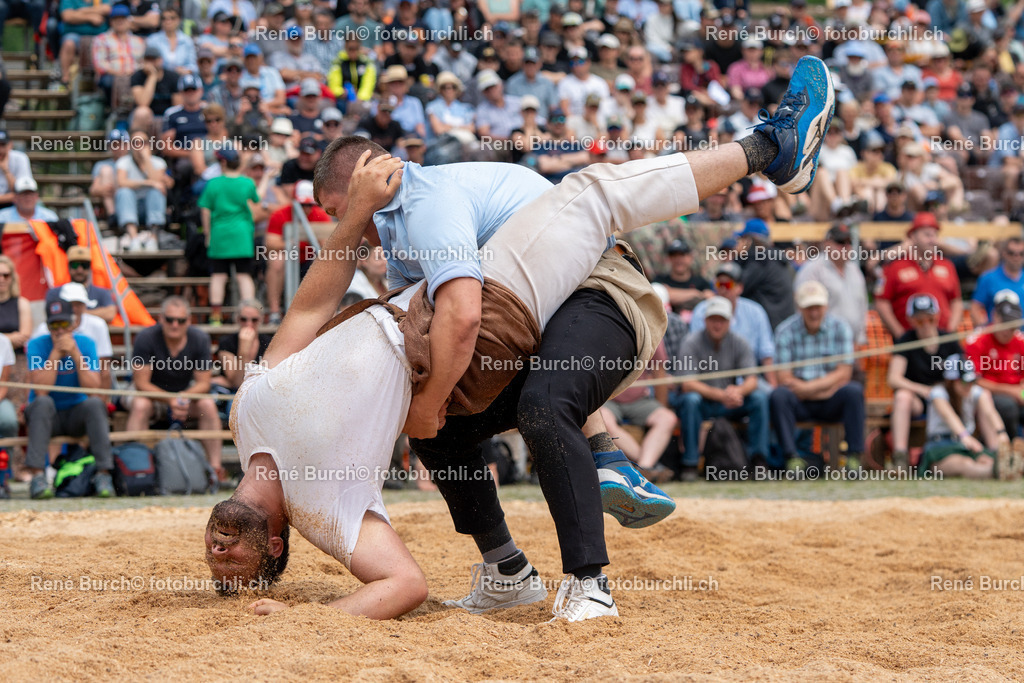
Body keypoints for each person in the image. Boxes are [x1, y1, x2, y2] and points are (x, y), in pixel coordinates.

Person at [209, 57, 836, 620]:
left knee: (577, 224)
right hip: (491, 324)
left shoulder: (249, 413)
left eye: (216, 557)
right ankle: (768, 149)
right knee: (583, 208)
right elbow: (403, 583)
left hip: (547, 300)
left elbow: (313, 307)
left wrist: (355, 221)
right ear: (277, 544)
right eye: (232, 565)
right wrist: (306, 618)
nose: (217, 554)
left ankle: (526, 559)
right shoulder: (323, 509)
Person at [771, 281, 866, 473]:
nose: (814, 312)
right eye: (809, 307)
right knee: (779, 396)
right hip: (801, 400)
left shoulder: (841, 328)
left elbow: (845, 373)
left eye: (818, 307)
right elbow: (783, 378)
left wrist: (807, 388)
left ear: (826, 306)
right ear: (800, 308)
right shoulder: (784, 331)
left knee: (853, 392)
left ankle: (854, 457)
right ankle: (791, 458)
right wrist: (822, 387)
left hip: (826, 398)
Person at [24, 299, 112, 500]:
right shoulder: (37, 345)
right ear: (48, 326)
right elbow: (40, 391)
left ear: (73, 324)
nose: (59, 331)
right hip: (46, 416)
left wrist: (75, 354)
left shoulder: (86, 343)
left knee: (96, 403)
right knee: (43, 403)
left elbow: (93, 388)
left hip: (76, 414)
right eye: (54, 325)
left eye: (64, 324)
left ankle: (103, 474)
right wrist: (55, 355)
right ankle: (37, 476)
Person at [126, 297, 222, 476]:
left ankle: (215, 470)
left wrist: (180, 398)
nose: (175, 324)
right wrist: (172, 399)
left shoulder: (200, 339)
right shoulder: (145, 337)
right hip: (150, 395)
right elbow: (141, 383)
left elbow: (204, 383)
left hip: (182, 394)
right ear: (161, 318)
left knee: (207, 405)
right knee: (141, 406)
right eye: (170, 319)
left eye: (181, 320)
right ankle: (136, 471)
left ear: (189, 320)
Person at [674, 295, 770, 476]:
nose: (717, 324)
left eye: (722, 320)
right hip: (704, 403)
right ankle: (690, 463)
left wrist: (738, 391)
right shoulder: (691, 342)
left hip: (730, 402)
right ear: (705, 321)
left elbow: (752, 379)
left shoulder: (740, 342)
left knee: (759, 398)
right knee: (690, 400)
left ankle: (759, 460)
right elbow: (687, 384)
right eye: (713, 319)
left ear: (729, 322)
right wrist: (722, 395)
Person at [887, 294, 963, 471]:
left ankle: (980, 446)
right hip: (920, 400)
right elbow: (893, 378)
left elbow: (963, 375)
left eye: (930, 319)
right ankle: (900, 457)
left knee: (975, 394)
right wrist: (922, 389)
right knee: (902, 396)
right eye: (920, 321)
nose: (926, 324)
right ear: (911, 320)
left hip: (947, 398)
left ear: (937, 316)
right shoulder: (906, 340)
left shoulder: (949, 340)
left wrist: (943, 389)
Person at [918, 357, 1024, 481]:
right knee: (964, 464)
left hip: (965, 445)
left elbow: (990, 412)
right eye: (964, 382)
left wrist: (1001, 433)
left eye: (972, 381)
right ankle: (998, 471)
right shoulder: (938, 393)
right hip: (940, 446)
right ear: (951, 381)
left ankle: (1005, 468)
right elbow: (949, 416)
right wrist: (965, 436)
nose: (969, 385)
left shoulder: (974, 391)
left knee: (986, 459)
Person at [875, 211, 963, 340]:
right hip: (910, 341)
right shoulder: (895, 266)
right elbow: (882, 302)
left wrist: (950, 332)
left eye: (934, 235)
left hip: (941, 339)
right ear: (913, 237)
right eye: (927, 235)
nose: (932, 239)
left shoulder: (947, 265)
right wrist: (900, 334)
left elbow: (956, 301)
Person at [197, 148, 258, 326]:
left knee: (218, 276)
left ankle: (215, 316)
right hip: (241, 234)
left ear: (223, 162)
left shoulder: (213, 184)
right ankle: (250, 314)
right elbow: (256, 199)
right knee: (244, 275)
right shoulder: (247, 183)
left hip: (219, 234)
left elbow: (205, 210)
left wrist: (207, 234)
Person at [264, 180, 330, 323]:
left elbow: (327, 246)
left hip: (310, 259)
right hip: (289, 259)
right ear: (294, 202)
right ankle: (275, 312)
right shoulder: (280, 214)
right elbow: (270, 243)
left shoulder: (320, 215)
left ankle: (321, 312)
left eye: (309, 204)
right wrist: (291, 243)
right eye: (302, 204)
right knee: (276, 260)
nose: (306, 209)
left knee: (328, 260)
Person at [792, 223, 868, 345]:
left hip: (852, 344)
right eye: (840, 242)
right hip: (822, 344)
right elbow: (801, 306)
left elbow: (862, 306)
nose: (846, 246)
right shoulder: (812, 270)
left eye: (849, 242)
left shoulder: (855, 271)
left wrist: (860, 338)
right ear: (827, 244)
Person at [36, 282, 113, 391]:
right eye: (70, 304)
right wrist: (56, 353)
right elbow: (36, 386)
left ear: (85, 305)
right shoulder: (42, 331)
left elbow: (104, 368)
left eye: (78, 304)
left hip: (83, 390)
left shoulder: (96, 327)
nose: (74, 309)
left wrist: (102, 402)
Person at [965, 296, 1024, 438]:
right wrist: (1013, 391)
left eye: (1012, 326)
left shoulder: (1020, 340)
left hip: (1018, 391)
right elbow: (974, 380)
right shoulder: (977, 340)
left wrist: (1020, 392)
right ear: (995, 317)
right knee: (1008, 407)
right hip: (990, 394)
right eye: (1004, 324)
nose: (1007, 331)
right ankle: (1008, 449)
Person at [734, 218, 795, 329]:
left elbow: (736, 288)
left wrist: (736, 258)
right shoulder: (771, 257)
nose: (738, 244)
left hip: (770, 326)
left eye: (742, 239)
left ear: (750, 241)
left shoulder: (760, 260)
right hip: (780, 323)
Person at [214, 299, 271, 392]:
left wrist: (227, 382)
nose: (249, 324)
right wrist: (243, 352)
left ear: (261, 319)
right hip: (234, 394)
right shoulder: (227, 342)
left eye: (254, 320)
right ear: (237, 319)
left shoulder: (268, 342)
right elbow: (237, 383)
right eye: (243, 319)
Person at [971, 238, 1024, 326]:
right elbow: (975, 307)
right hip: (997, 334)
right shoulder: (988, 278)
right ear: (1004, 254)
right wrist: (984, 329)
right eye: (1011, 253)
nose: (1016, 257)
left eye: (1021, 254)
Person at [651, 238, 712, 315]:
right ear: (669, 258)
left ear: (690, 257)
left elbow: (710, 298)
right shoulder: (660, 279)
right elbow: (657, 295)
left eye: (682, 255)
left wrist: (669, 292)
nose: (678, 259)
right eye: (674, 255)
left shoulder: (701, 282)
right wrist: (694, 293)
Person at [0, 255, 33, 352]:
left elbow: (24, 337)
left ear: (12, 277)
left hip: (17, 358)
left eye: (6, 275)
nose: (2, 279)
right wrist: (10, 338)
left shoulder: (22, 303)